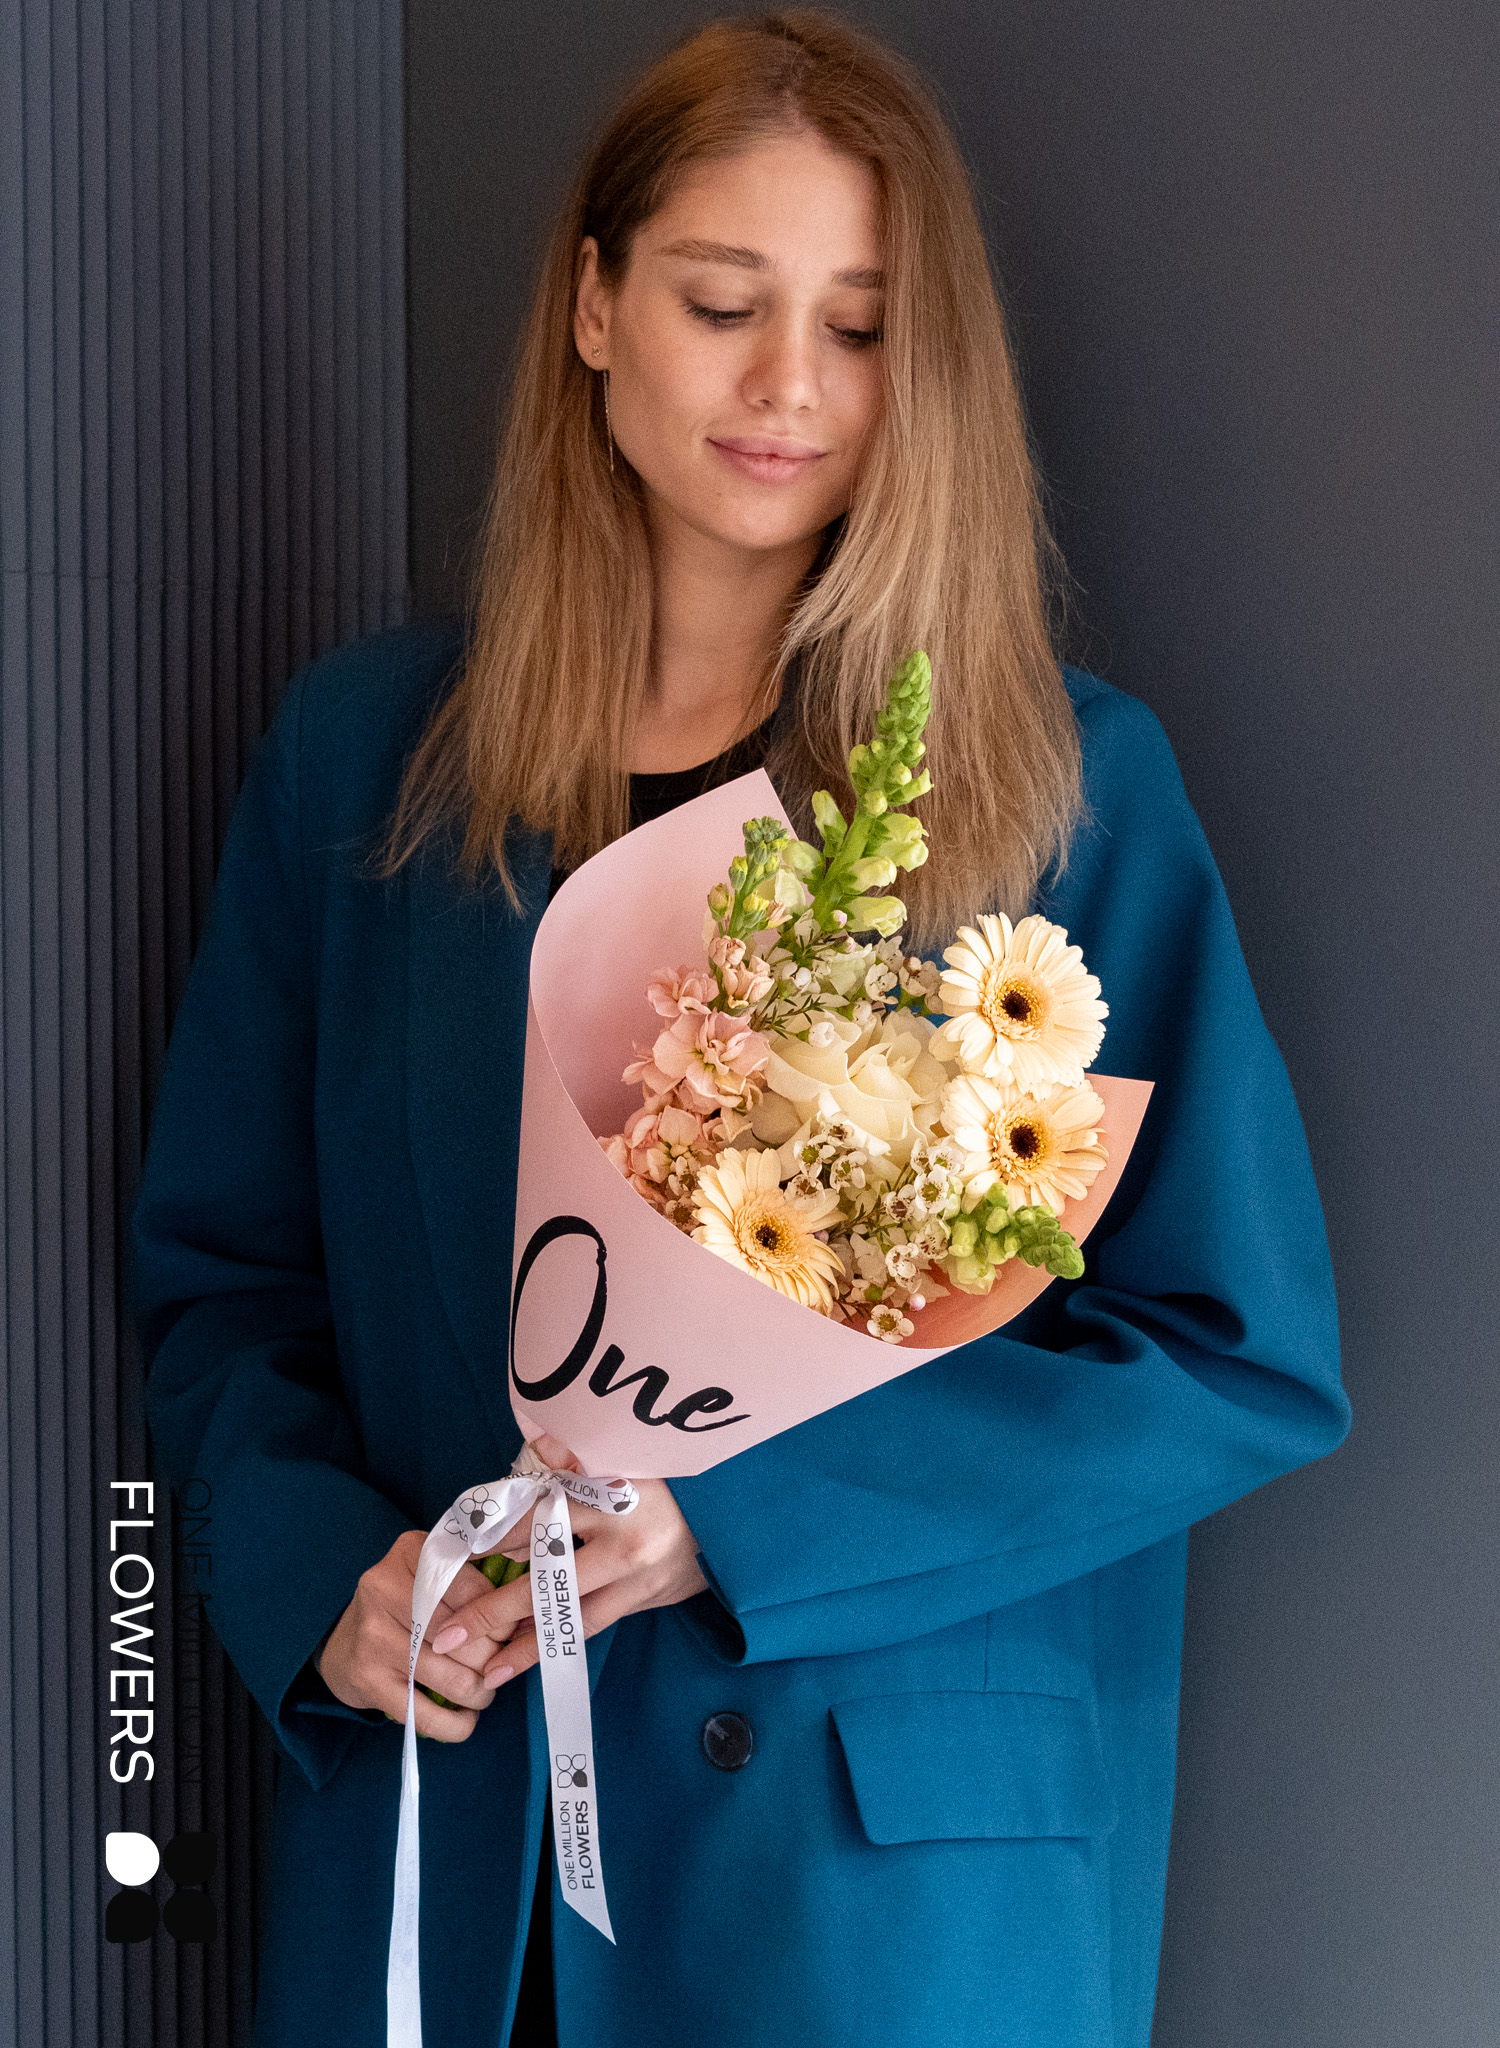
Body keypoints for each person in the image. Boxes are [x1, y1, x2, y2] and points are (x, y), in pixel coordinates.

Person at [134, 12, 1350, 2046]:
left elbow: (1233, 1353)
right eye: (723, 304)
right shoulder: (365, 765)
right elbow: (224, 1284)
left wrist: (739, 1524)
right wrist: (322, 1585)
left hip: (867, 1907)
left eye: (861, 328)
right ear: (594, 307)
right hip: (452, 1868)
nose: (791, 383)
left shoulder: (1064, 796)